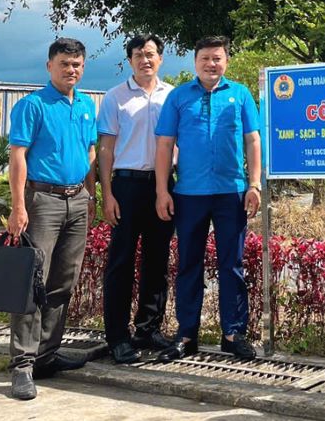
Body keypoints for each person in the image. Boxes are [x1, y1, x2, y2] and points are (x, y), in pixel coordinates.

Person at [154, 35, 262, 361]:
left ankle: (233, 333)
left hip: (232, 193)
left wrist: (254, 185)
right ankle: (187, 335)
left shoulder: (240, 95)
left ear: (226, 61)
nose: (211, 64)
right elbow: (163, 145)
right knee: (188, 264)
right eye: (205, 58)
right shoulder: (179, 97)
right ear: (195, 62)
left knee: (232, 265)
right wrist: (162, 190)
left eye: (217, 58)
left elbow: (253, 141)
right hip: (189, 194)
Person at [6, 38, 98, 400]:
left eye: (76, 64)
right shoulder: (32, 105)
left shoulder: (88, 105)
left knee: (62, 282)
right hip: (41, 200)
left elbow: (91, 151)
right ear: (49, 66)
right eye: (64, 64)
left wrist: (90, 197)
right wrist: (18, 206)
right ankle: (22, 365)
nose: (71, 70)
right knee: (32, 282)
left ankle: (46, 355)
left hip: (77, 200)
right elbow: (18, 156)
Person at [97, 35, 175, 364]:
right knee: (121, 262)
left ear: (160, 59)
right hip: (126, 186)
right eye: (139, 55)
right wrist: (107, 194)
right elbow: (106, 149)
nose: (145, 60)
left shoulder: (172, 96)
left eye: (151, 54)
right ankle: (117, 336)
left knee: (157, 261)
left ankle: (148, 328)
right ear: (129, 60)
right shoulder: (115, 97)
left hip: (163, 186)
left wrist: (166, 189)